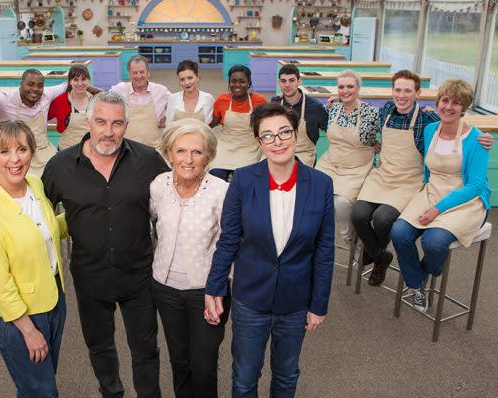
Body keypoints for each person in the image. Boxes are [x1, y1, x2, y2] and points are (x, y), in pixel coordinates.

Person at [43, 91, 170, 398]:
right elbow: (39, 218)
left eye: (116, 123)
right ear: (88, 121)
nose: (108, 131)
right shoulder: (60, 166)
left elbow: (174, 204)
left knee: (145, 349)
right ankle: (111, 393)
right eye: (100, 122)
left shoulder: (148, 160)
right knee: (100, 347)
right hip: (90, 277)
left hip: (138, 275)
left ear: (127, 125)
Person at [205, 102, 334, 397]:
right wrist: (214, 288)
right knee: (244, 378)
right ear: (258, 143)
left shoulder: (321, 184)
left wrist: (319, 304)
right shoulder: (243, 180)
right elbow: (228, 240)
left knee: (287, 375)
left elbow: (325, 250)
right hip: (250, 299)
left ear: (296, 134)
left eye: (284, 132)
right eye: (268, 136)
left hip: (296, 300)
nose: (278, 142)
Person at [352, 70, 494, 287]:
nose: (401, 95)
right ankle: (381, 255)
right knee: (364, 217)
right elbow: (363, 112)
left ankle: (409, 274)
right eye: (397, 90)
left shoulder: (438, 123)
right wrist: (339, 100)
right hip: (399, 180)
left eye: (407, 91)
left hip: (432, 188)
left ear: (417, 93)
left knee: (395, 225)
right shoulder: (401, 116)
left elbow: (474, 179)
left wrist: (486, 137)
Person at [0, 121, 68, 397]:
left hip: (53, 300)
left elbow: (46, 232)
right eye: (5, 151)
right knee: (42, 391)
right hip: (17, 318)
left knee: (36, 386)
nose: (15, 159)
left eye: (22, 149)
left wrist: (82, 214)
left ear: (31, 152)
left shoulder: (35, 184)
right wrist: (28, 330)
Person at [391, 79, 490, 312]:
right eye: (445, 100)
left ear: (463, 107)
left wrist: (438, 209)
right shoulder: (429, 130)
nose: (449, 106)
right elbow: (429, 168)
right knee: (399, 232)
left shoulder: (477, 139)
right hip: (433, 190)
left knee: (433, 242)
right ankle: (416, 286)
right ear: (437, 102)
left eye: (456, 103)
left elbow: (475, 186)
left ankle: (426, 272)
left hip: (466, 199)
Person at [150, 119, 229, 398]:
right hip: (165, 288)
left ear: (208, 156)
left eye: (197, 152)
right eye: (181, 151)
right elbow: (147, 223)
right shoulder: (158, 185)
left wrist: (219, 287)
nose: (188, 159)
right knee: (179, 361)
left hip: (207, 292)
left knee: (204, 365)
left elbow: (231, 244)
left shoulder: (220, 190)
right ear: (169, 153)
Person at [315, 70, 379, 247]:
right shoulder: (333, 107)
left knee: (342, 204)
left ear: (358, 88)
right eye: (341, 87)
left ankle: (353, 242)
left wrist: (377, 143)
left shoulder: (371, 112)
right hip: (330, 163)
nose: (345, 91)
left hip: (356, 168)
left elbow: (391, 132)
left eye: (350, 86)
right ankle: (313, 242)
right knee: (309, 195)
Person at [0, 69, 68, 175]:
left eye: (40, 85)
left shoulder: (47, 94)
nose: (35, 89)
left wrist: (93, 91)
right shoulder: (5, 99)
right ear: (21, 84)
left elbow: (68, 85)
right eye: (30, 84)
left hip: (43, 152)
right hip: (16, 157)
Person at [208, 65, 267, 182]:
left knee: (241, 178)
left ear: (249, 83)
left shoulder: (259, 101)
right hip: (225, 145)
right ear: (229, 83)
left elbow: (267, 125)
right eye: (233, 81)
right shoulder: (221, 100)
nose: (237, 85)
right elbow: (213, 123)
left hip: (249, 147)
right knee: (215, 173)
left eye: (242, 81)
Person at [270, 63, 328, 166]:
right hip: (278, 153)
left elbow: (333, 132)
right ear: (279, 83)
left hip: (304, 157)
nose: (287, 85)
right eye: (283, 81)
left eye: (291, 80)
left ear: (299, 81)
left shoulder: (315, 107)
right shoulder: (275, 104)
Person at [111, 55, 171, 148]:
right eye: (135, 73)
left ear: (148, 72)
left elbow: (178, 102)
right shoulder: (120, 90)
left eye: (142, 72)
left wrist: (167, 118)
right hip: (126, 150)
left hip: (152, 149)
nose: (139, 76)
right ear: (129, 74)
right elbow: (102, 97)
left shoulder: (160, 91)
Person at [48, 64, 94, 150]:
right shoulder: (60, 101)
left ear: (89, 80)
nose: (80, 83)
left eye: (83, 79)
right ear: (70, 81)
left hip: (90, 151)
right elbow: (43, 117)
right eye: (76, 79)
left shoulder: (95, 100)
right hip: (66, 151)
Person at [165, 60, 215, 125]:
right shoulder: (173, 98)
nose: (186, 83)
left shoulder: (208, 99)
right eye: (182, 79)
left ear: (198, 78)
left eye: (190, 78)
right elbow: (169, 126)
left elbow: (209, 127)